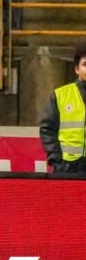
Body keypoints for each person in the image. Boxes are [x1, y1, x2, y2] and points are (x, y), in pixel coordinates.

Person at [39, 44, 86, 176]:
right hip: (67, 167)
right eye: (85, 64)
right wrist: (56, 159)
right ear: (77, 69)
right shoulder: (60, 95)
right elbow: (47, 129)